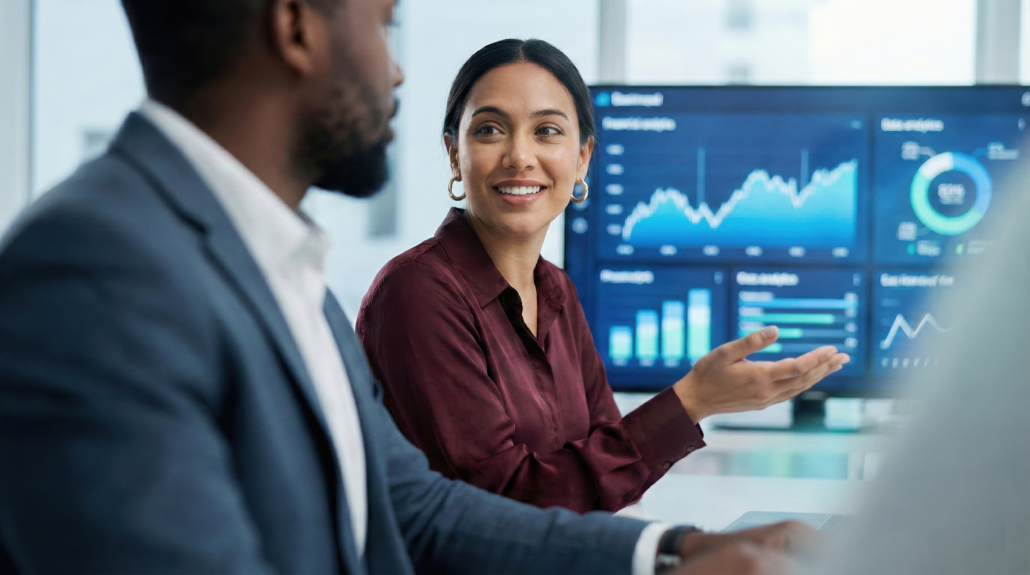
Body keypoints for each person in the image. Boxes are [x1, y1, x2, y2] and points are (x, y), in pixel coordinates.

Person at [0, 1, 811, 574]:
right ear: (295, 24)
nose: (393, 68)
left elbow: (414, 510)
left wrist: (672, 555)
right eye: (384, 21)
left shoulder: (284, 277)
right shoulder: (94, 268)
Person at [356, 38, 850, 513]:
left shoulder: (557, 291)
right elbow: (504, 509)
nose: (519, 157)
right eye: (489, 130)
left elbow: (606, 466)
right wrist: (694, 399)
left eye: (546, 131)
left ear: (583, 160)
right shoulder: (416, 293)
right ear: (453, 154)